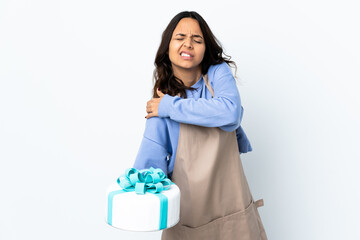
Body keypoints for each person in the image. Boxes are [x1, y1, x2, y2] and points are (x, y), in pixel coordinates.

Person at [133, 11, 268, 240]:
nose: (188, 44)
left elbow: (230, 112)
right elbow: (149, 170)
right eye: (180, 37)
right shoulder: (160, 109)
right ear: (167, 47)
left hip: (235, 219)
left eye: (197, 39)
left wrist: (170, 107)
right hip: (188, 226)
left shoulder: (217, 75)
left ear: (205, 49)